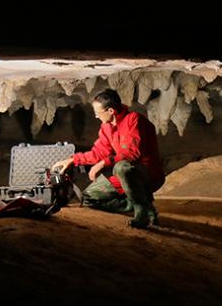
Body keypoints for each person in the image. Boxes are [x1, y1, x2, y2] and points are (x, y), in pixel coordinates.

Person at [51, 89, 164, 228]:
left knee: (121, 166)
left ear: (110, 111)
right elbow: (98, 152)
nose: (97, 116)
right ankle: (136, 204)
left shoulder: (134, 120)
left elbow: (132, 153)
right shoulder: (106, 127)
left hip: (146, 174)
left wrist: (102, 164)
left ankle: (142, 212)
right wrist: (73, 160)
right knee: (87, 198)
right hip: (123, 176)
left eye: (98, 113)